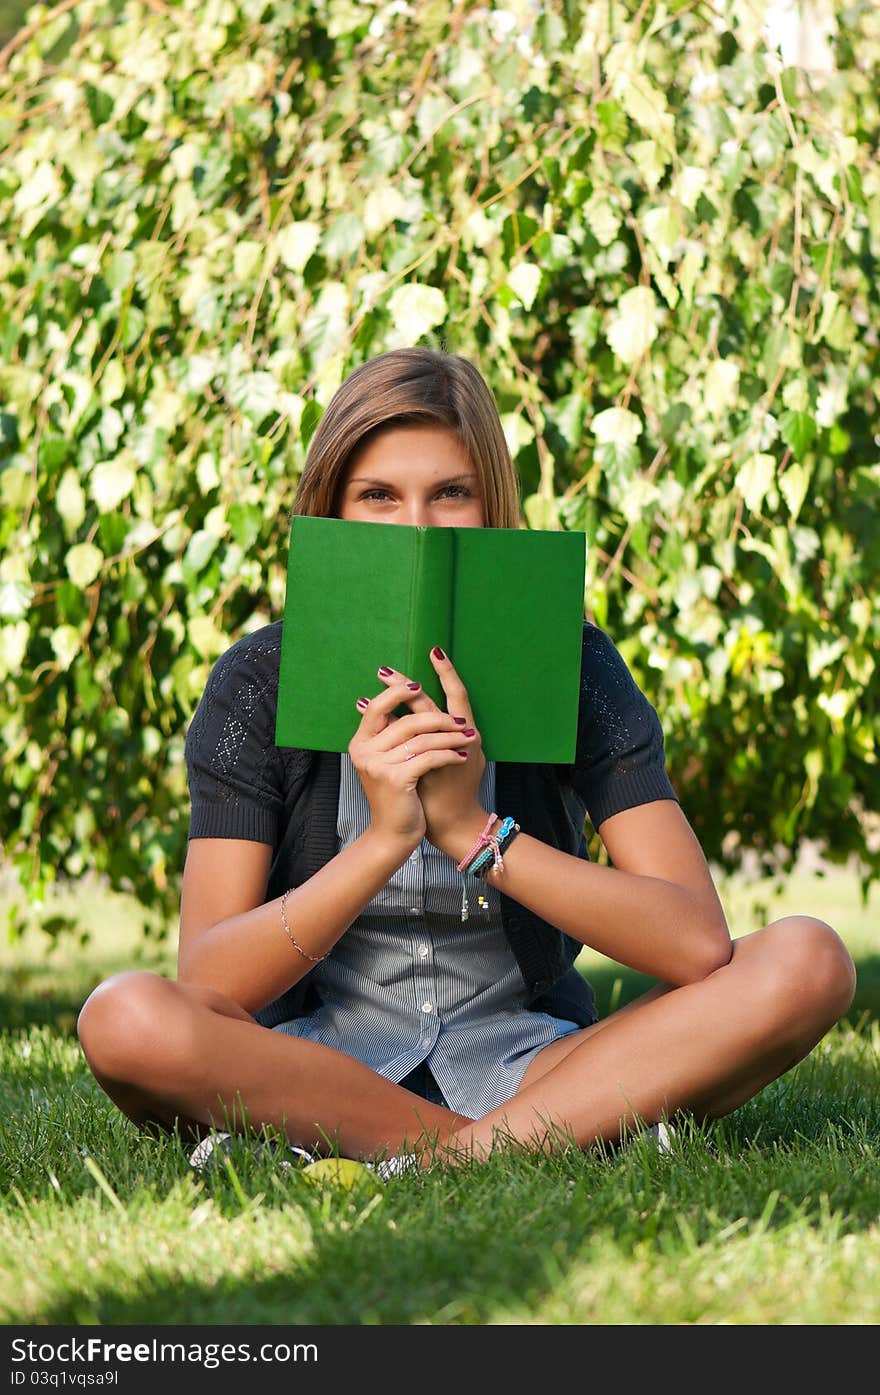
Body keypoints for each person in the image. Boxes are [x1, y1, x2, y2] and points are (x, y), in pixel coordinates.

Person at [76, 347, 856, 1174]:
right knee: (122, 1016)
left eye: (451, 493)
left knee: (808, 959)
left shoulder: (575, 664)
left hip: (534, 1064)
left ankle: (450, 1153)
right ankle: (532, 1142)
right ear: (332, 509)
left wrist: (471, 829)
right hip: (319, 1064)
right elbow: (212, 977)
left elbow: (697, 942)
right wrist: (382, 840)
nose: (417, 525)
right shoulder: (257, 683)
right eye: (378, 495)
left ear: (493, 510)